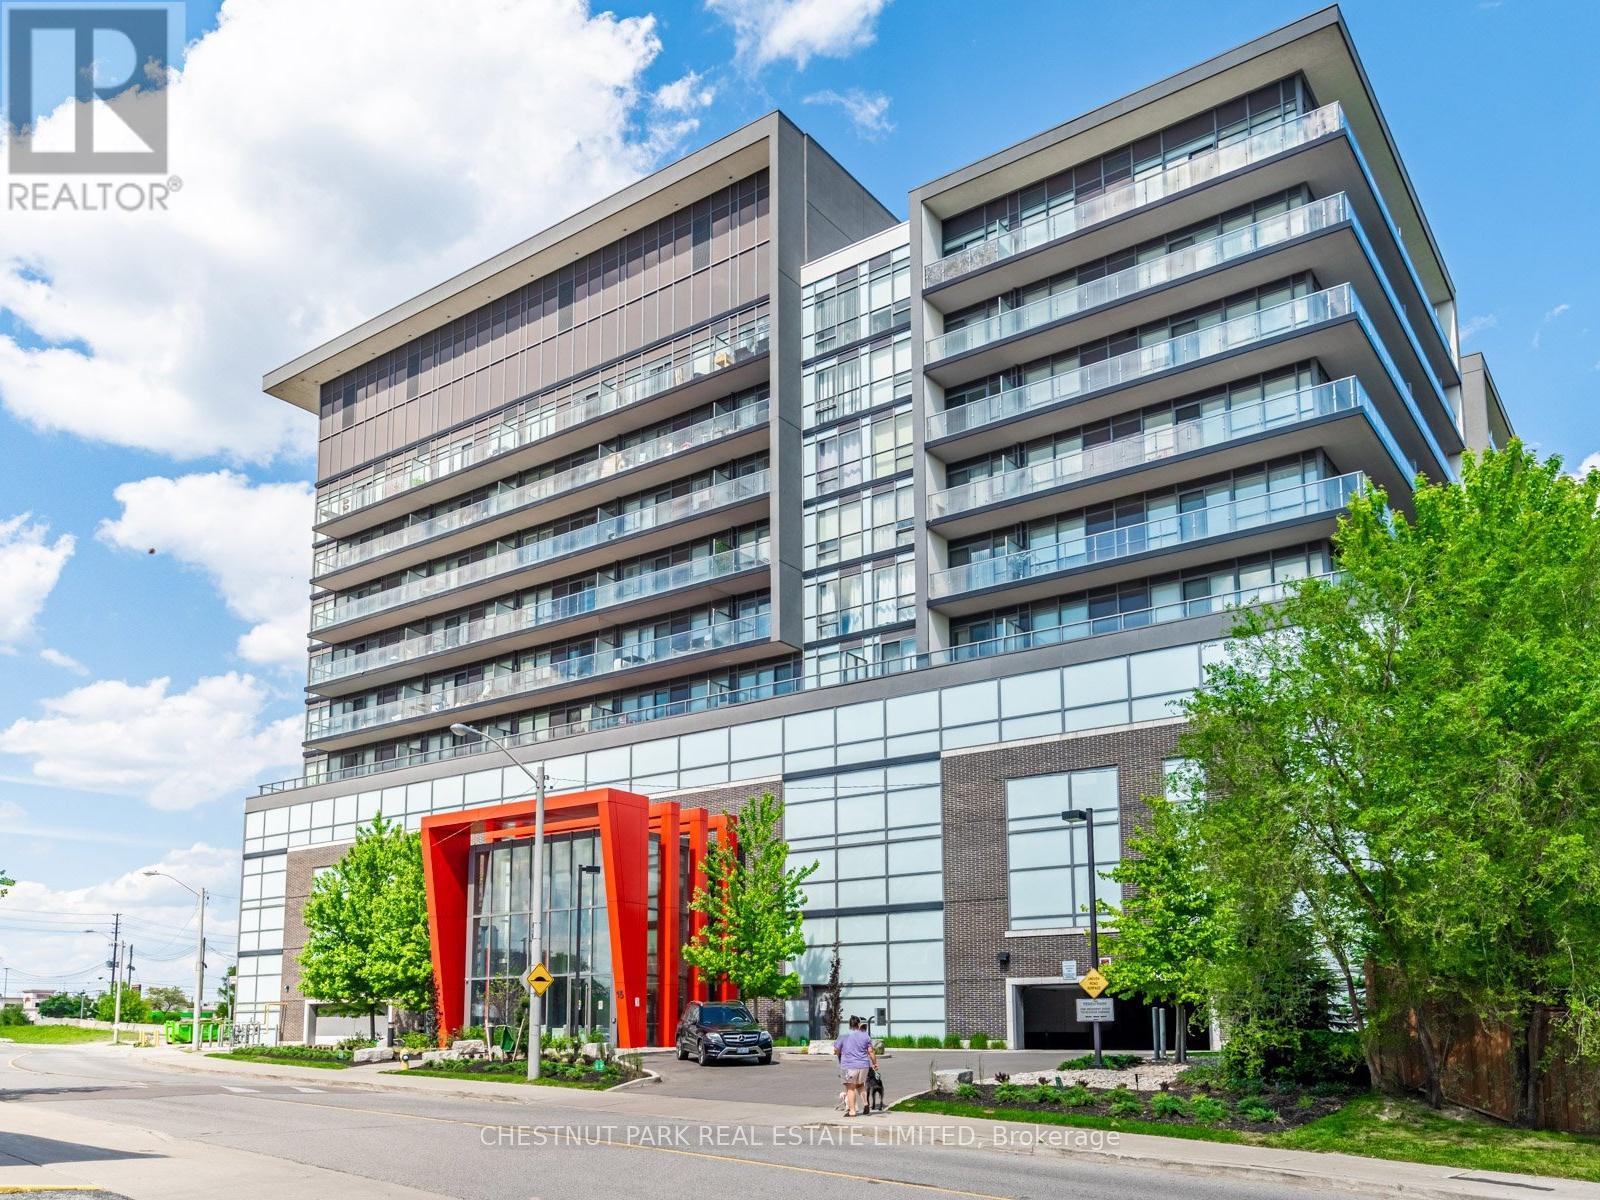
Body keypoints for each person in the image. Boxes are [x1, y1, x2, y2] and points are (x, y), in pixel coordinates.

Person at [833, 1015, 876, 1117]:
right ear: (859, 1024)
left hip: (849, 1066)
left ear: (850, 1025)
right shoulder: (865, 1036)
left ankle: (852, 1111)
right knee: (860, 1085)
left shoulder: (843, 1036)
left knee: (850, 1088)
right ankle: (865, 1104)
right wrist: (875, 1063)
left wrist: (839, 1055)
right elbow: (871, 1051)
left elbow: (836, 1050)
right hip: (864, 1065)